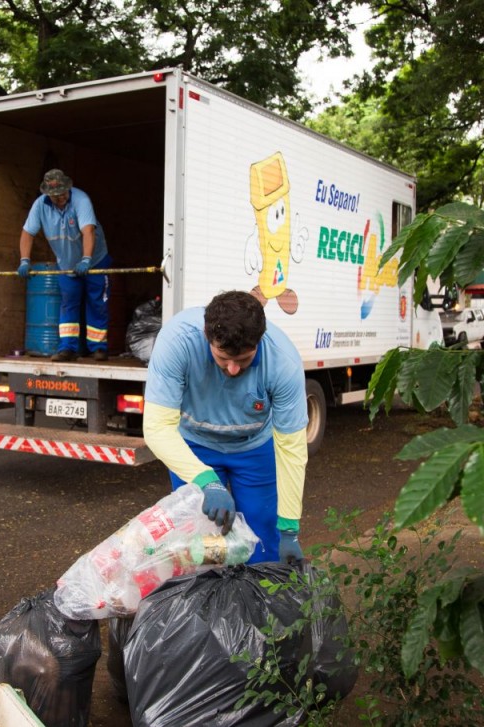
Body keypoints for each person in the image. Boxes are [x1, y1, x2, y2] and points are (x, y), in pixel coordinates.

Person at [142, 290, 308, 564]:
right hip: (194, 445)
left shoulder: (283, 362)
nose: (233, 369)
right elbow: (157, 428)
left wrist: (289, 528)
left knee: (262, 535)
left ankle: (259, 600)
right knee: (199, 543)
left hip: (254, 446)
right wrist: (206, 482)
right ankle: (205, 602)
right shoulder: (177, 341)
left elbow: (291, 449)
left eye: (244, 360)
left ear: (259, 341)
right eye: (222, 357)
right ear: (208, 338)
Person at [17, 169, 112, 362]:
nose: (60, 198)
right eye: (55, 196)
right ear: (47, 194)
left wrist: (86, 259)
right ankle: (68, 348)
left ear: (68, 188)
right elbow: (27, 233)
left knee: (97, 303)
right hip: (66, 264)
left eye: (62, 194)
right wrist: (24, 260)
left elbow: (88, 231)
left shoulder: (81, 200)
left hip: (95, 260)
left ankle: (99, 348)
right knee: (69, 303)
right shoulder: (40, 206)